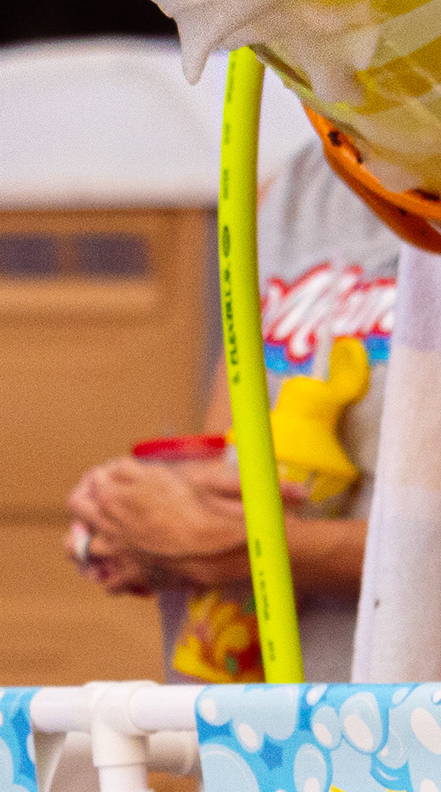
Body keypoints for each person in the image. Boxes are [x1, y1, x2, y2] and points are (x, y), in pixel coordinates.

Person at [61, 137, 400, 682]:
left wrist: (244, 549)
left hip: (418, 718)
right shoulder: (284, 194)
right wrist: (123, 517)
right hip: (253, 716)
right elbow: (223, 471)